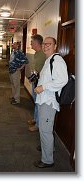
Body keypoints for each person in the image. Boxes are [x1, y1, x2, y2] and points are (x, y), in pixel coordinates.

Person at [33, 37, 68, 168]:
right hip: (44, 100)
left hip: (49, 101)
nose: (46, 46)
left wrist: (43, 87)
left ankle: (47, 160)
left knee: (45, 131)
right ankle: (48, 147)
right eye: (44, 44)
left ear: (55, 46)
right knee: (45, 129)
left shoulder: (57, 60)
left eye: (49, 44)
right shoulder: (49, 59)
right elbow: (50, 78)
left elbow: (62, 80)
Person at [28, 34, 46, 132]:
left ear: (36, 43)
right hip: (35, 82)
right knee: (36, 102)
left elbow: (41, 71)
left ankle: (38, 125)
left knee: (39, 104)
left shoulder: (43, 55)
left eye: (31, 42)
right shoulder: (36, 54)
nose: (30, 43)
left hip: (40, 84)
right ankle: (35, 119)